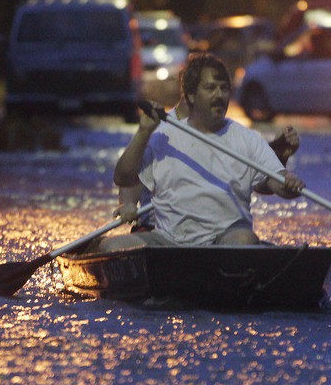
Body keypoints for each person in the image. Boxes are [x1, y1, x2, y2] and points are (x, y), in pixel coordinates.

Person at [102, 53, 304, 250]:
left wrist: (289, 183)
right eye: (210, 88)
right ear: (191, 95)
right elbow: (124, 178)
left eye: (224, 89)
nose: (219, 95)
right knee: (110, 246)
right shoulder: (162, 136)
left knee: (244, 239)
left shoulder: (249, 139)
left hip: (226, 240)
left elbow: (276, 182)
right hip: (169, 242)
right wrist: (143, 132)